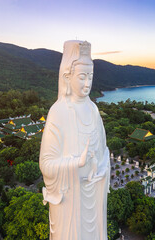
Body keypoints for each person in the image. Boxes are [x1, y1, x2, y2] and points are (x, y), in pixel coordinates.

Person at [40, 40, 110, 240]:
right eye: (82, 77)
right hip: (69, 202)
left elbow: (104, 153)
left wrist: (100, 169)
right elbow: (46, 165)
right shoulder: (58, 112)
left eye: (90, 77)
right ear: (67, 77)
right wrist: (75, 163)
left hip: (93, 195)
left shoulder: (93, 110)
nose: (87, 83)